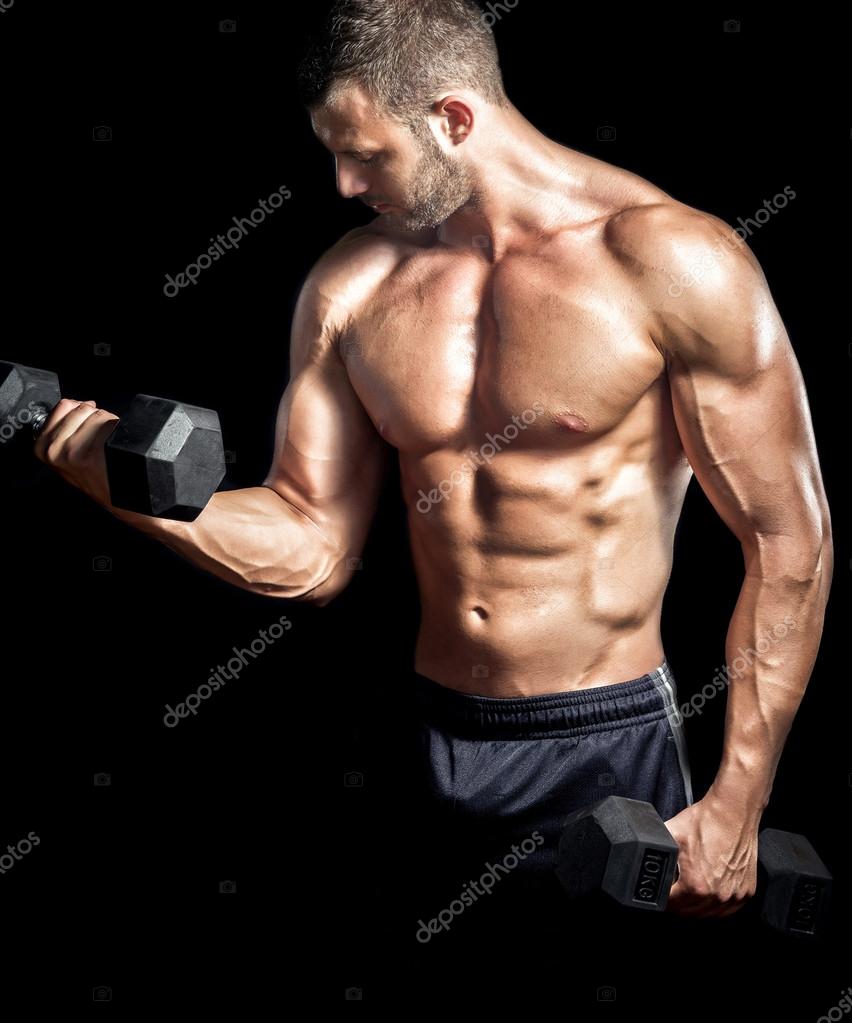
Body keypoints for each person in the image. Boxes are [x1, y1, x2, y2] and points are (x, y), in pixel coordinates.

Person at [35, 0, 831, 932]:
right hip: (429, 738)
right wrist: (124, 491)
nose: (340, 182)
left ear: (453, 118)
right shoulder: (355, 281)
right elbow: (310, 551)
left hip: (608, 754)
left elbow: (788, 539)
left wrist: (738, 799)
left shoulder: (670, 261)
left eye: (367, 153)